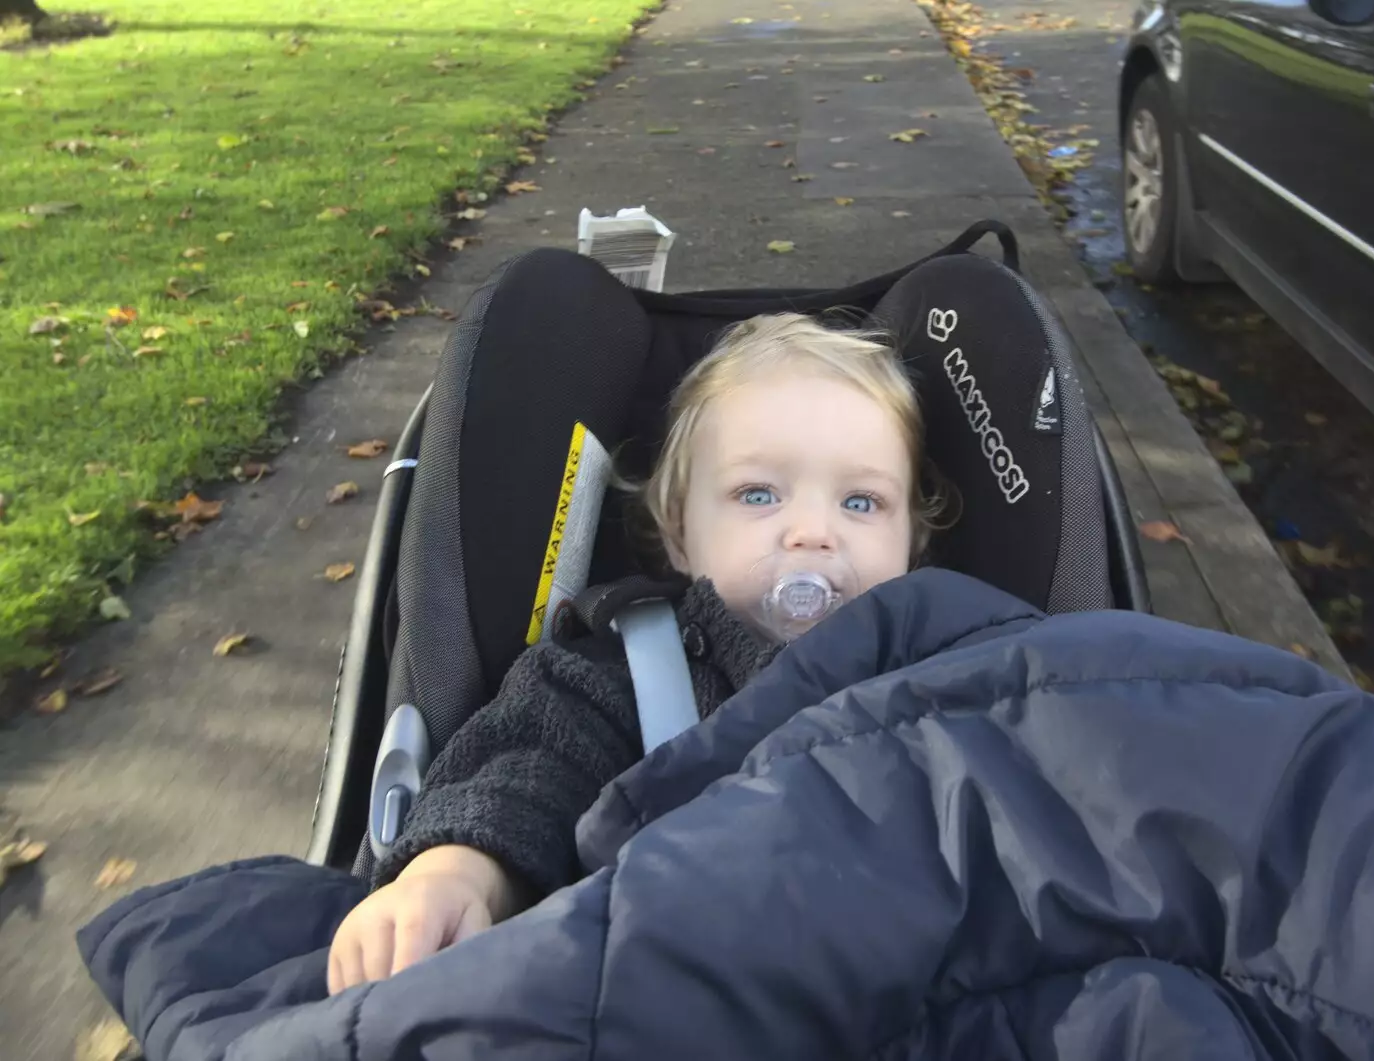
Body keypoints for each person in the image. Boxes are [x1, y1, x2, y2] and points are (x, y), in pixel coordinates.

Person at [326, 311, 950, 993]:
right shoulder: (621, 672)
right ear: (679, 532)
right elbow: (530, 773)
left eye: (861, 501)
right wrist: (456, 871)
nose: (812, 532)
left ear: (912, 544)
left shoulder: (949, 666)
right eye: (759, 494)